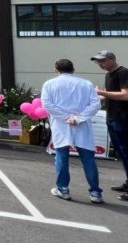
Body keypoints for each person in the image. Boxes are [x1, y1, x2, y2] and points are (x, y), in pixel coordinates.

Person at [40, 59, 103, 203]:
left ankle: (63, 189)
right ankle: (95, 192)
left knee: (62, 156)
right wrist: (78, 118)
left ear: (56, 70)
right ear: (73, 70)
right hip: (81, 124)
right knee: (88, 159)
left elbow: (47, 105)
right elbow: (95, 104)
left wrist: (66, 117)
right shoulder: (86, 84)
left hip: (61, 125)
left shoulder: (49, 84)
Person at [92, 50, 128, 202]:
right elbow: (109, 95)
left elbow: (126, 95)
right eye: (98, 62)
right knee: (123, 154)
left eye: (102, 61)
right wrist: (94, 98)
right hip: (113, 118)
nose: (100, 64)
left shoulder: (124, 73)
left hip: (124, 119)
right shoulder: (109, 75)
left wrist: (100, 92)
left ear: (112, 59)